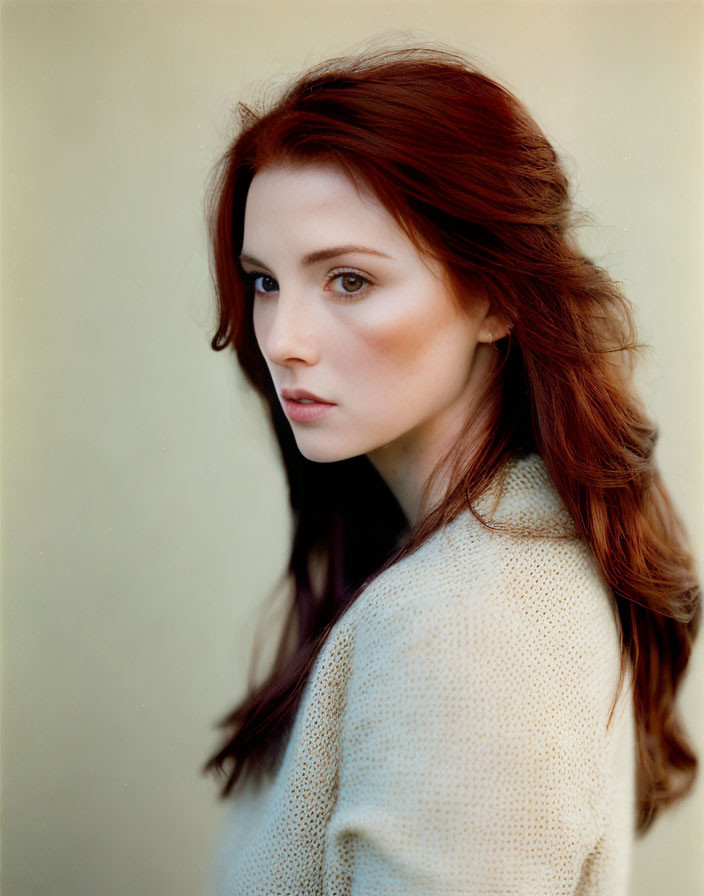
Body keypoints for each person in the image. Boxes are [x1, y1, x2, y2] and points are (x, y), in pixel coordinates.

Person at [202, 43, 701, 895]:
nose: (282, 338)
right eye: (264, 281)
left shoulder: (468, 626)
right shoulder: (479, 572)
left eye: (349, 280)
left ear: (498, 298)